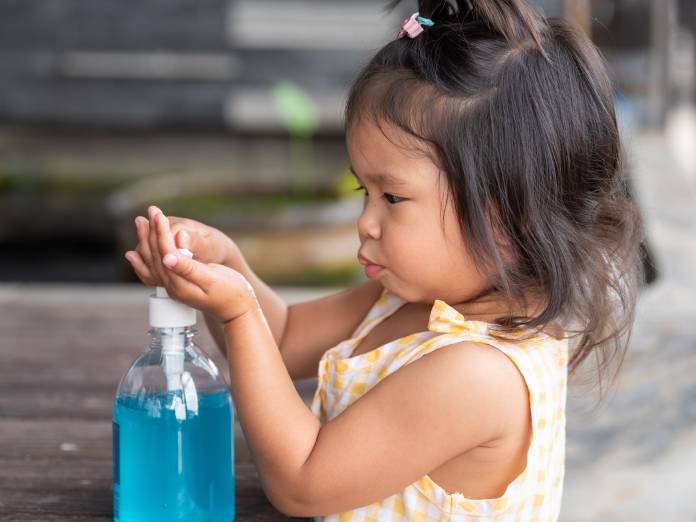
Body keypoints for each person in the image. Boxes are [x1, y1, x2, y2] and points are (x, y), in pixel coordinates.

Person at [124, 0, 645, 519]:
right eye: (362, 189)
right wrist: (227, 266)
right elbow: (279, 342)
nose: (365, 221)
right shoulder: (409, 299)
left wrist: (238, 312)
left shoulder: (480, 375)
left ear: (511, 218)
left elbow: (303, 482)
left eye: (391, 198)